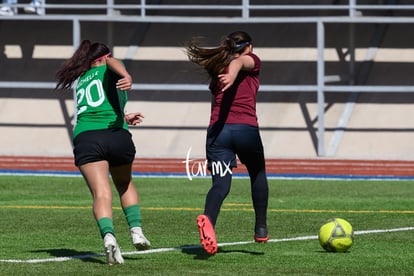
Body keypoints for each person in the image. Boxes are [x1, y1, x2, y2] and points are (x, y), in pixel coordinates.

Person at [55, 40, 150, 265]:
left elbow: (96, 108)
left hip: (87, 137)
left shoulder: (81, 78)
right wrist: (127, 75)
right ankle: (136, 230)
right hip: (115, 135)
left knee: (101, 194)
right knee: (124, 184)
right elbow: (112, 62)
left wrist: (124, 116)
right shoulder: (110, 65)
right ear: (103, 57)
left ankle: (108, 237)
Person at [185, 31, 270, 255]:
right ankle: (261, 227)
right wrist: (233, 75)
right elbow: (241, 61)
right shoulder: (249, 61)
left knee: (221, 185)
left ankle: (209, 221)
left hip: (218, 134)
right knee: (258, 173)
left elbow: (215, 104)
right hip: (245, 131)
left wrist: (229, 74)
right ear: (249, 46)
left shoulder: (216, 69)